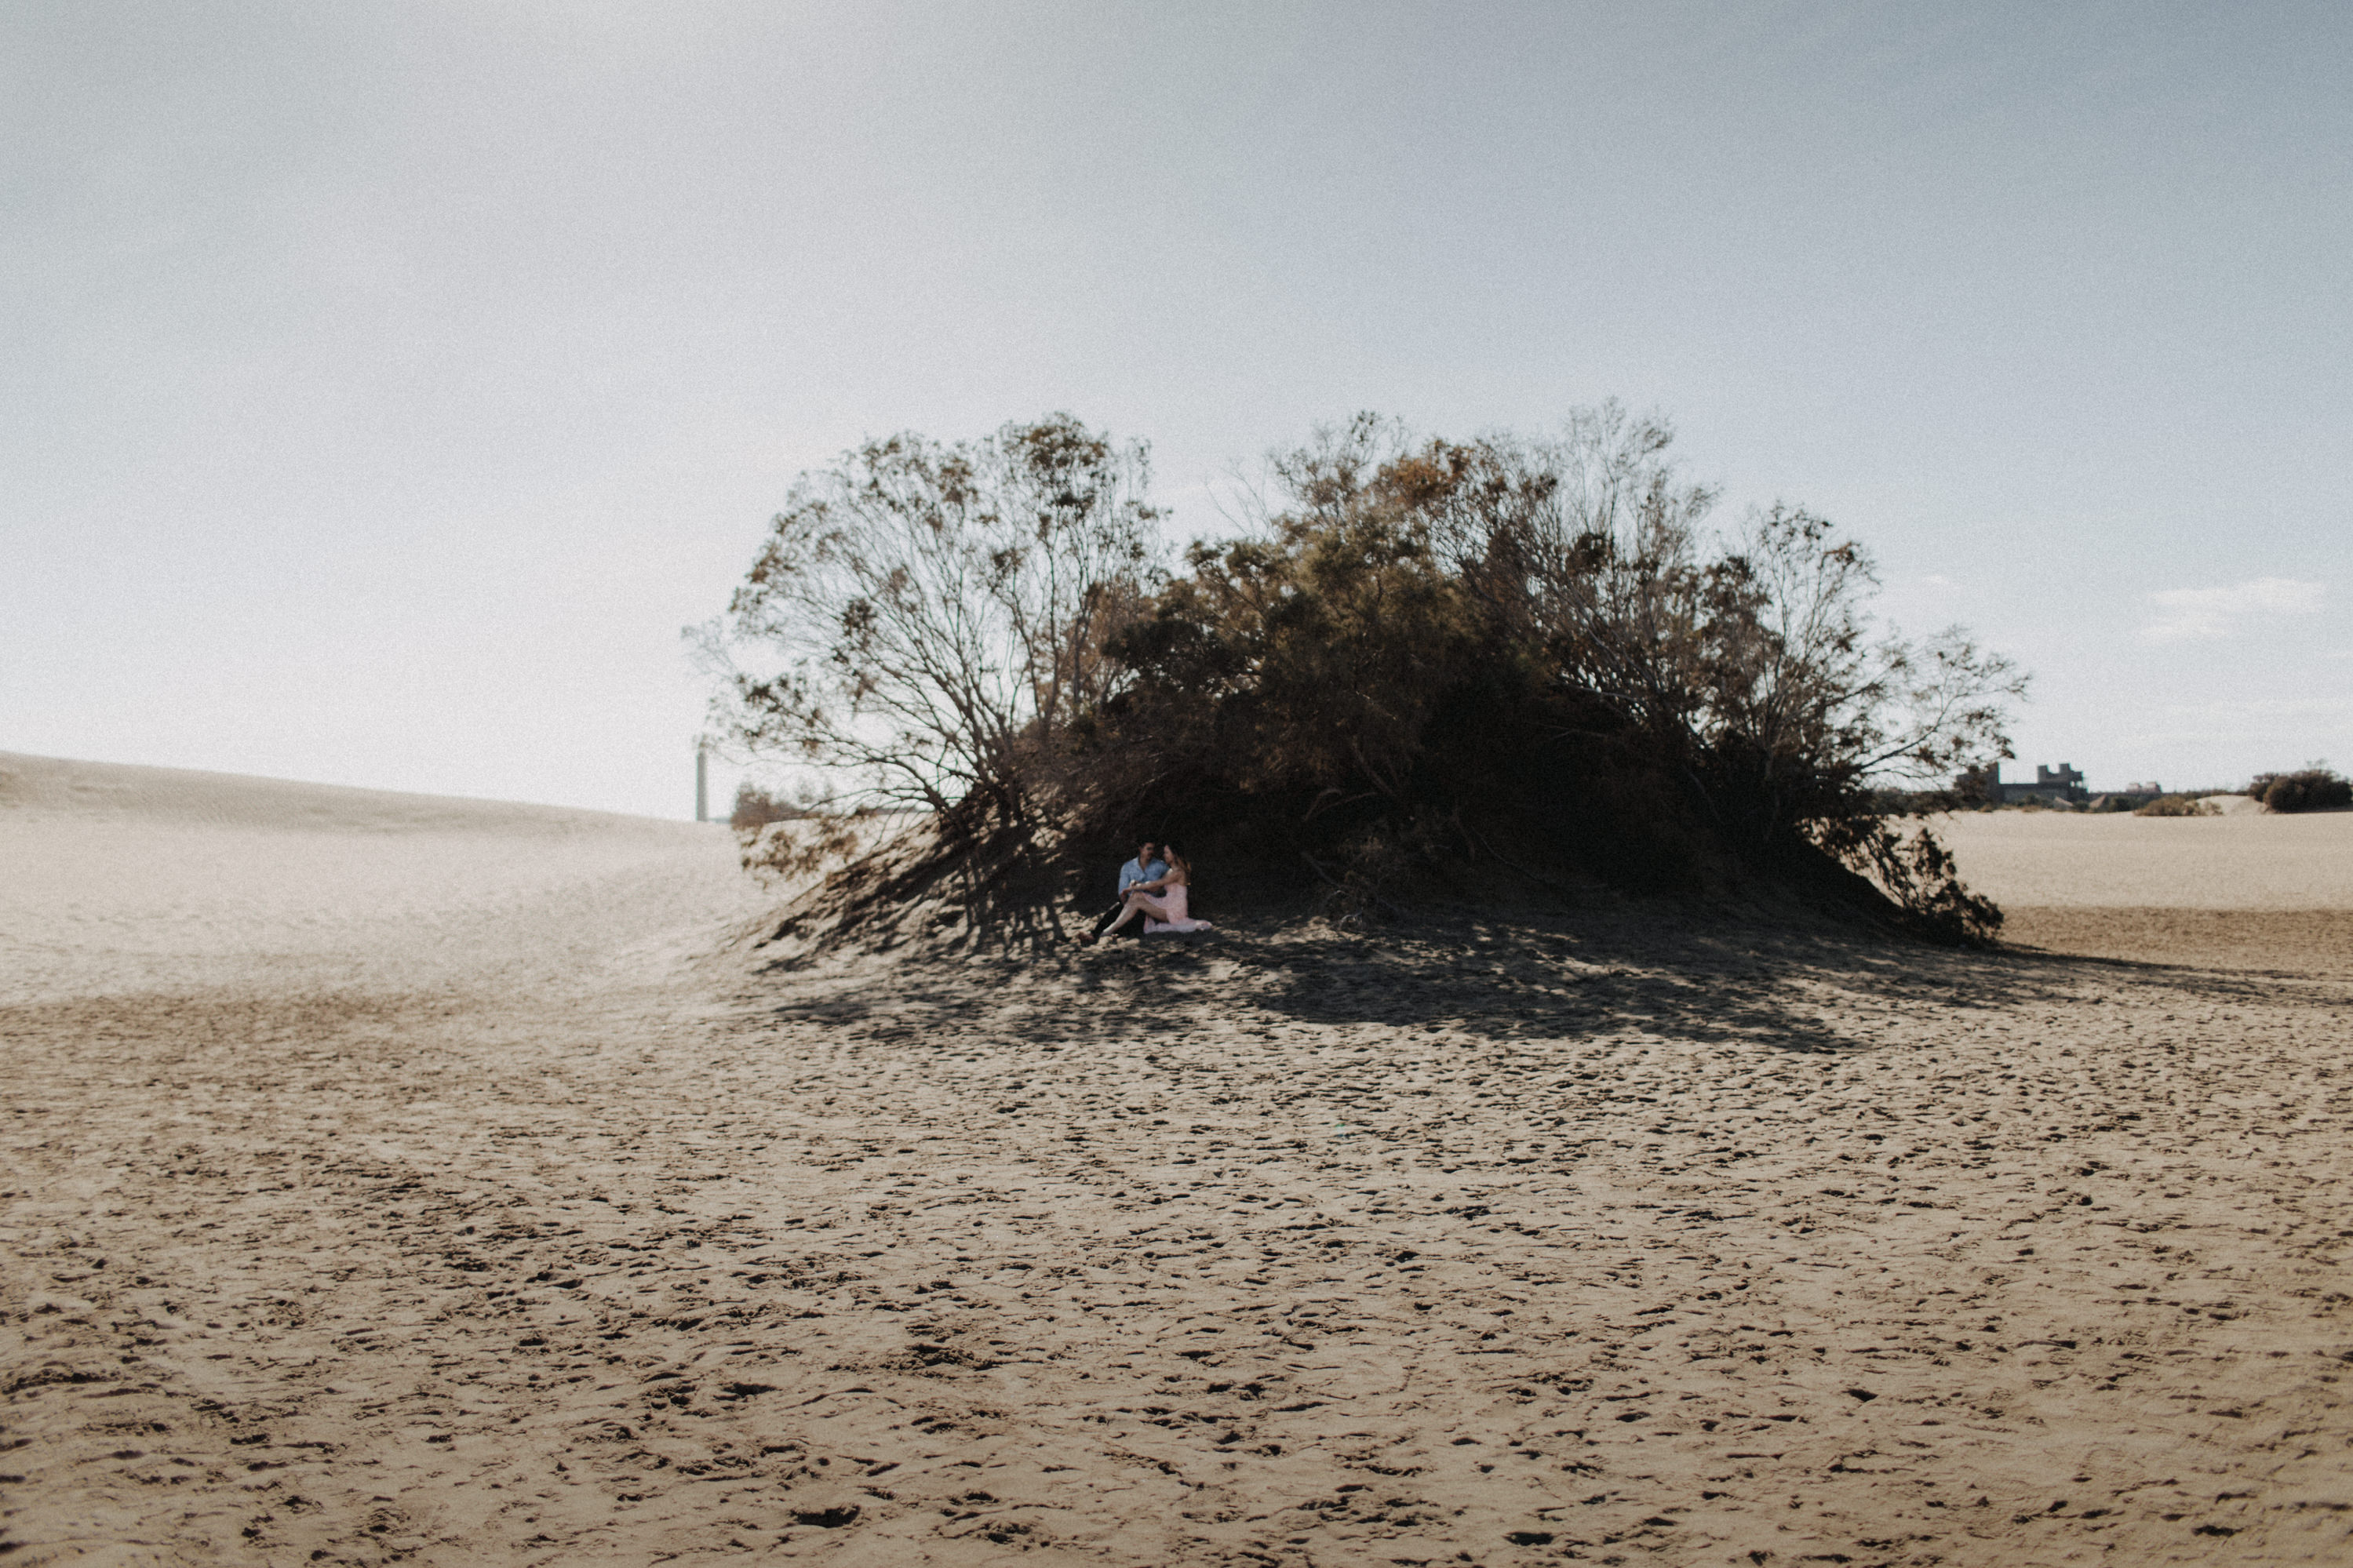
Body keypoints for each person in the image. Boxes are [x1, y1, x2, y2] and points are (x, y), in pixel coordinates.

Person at [1094, 842, 1212, 940]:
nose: (1164, 855)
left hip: (1175, 910)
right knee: (1136, 896)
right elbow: (1155, 888)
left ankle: (1109, 930)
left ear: (1174, 855)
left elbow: (1156, 883)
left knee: (1136, 899)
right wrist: (1136, 885)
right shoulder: (1170, 871)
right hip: (1168, 904)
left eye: (1167, 853)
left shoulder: (1178, 872)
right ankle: (1110, 930)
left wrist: (1133, 887)